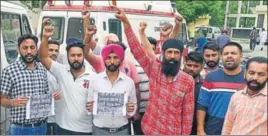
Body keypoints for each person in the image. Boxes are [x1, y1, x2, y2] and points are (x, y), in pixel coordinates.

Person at [113, 6, 195, 135]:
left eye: (176, 53)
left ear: (181, 55)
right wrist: (126, 22)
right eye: (169, 52)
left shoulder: (187, 80)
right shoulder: (154, 70)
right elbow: (136, 49)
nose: (172, 56)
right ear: (163, 54)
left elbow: (188, 115)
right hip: (150, 129)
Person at [39, 18, 94, 135]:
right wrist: (45, 37)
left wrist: (96, 104)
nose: (76, 58)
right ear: (67, 56)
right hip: (62, 128)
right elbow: (43, 58)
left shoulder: (93, 77)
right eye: (72, 55)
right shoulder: (61, 71)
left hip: (85, 130)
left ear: (83, 56)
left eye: (79, 55)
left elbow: (99, 100)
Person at [0, 34, 60, 135]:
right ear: (18, 49)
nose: (29, 51)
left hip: (42, 127)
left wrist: (52, 97)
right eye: (25, 48)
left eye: (32, 47)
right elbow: (2, 100)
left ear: (37, 49)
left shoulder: (42, 69)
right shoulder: (9, 71)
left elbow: (44, 95)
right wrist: (13, 102)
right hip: (20, 129)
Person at [197, 42, 247, 135]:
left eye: (233, 53)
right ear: (221, 56)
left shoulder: (248, 79)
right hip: (213, 127)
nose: (229, 56)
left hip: (239, 127)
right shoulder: (210, 77)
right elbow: (202, 105)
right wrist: (200, 129)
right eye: (226, 53)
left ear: (241, 56)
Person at [86, 44, 137, 135]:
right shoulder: (95, 80)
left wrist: (130, 109)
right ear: (104, 59)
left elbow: (132, 110)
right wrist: (89, 108)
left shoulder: (129, 82)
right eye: (108, 58)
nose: (112, 61)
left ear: (120, 59)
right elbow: (89, 107)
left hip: (122, 131)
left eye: (115, 57)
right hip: (100, 131)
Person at [222, 56, 267, 135]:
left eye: (261, 74)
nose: (255, 77)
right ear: (245, 73)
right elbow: (228, 125)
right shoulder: (236, 96)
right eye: (251, 73)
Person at [182, 51, 204, 135]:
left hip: (195, 125)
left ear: (201, 67)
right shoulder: (175, 80)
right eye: (189, 65)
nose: (192, 68)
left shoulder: (204, 85)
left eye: (196, 66)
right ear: (184, 64)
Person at [46, 40, 61, 135]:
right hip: (43, 118)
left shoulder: (62, 68)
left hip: (59, 117)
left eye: (56, 51)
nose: (54, 53)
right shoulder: (37, 68)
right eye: (51, 50)